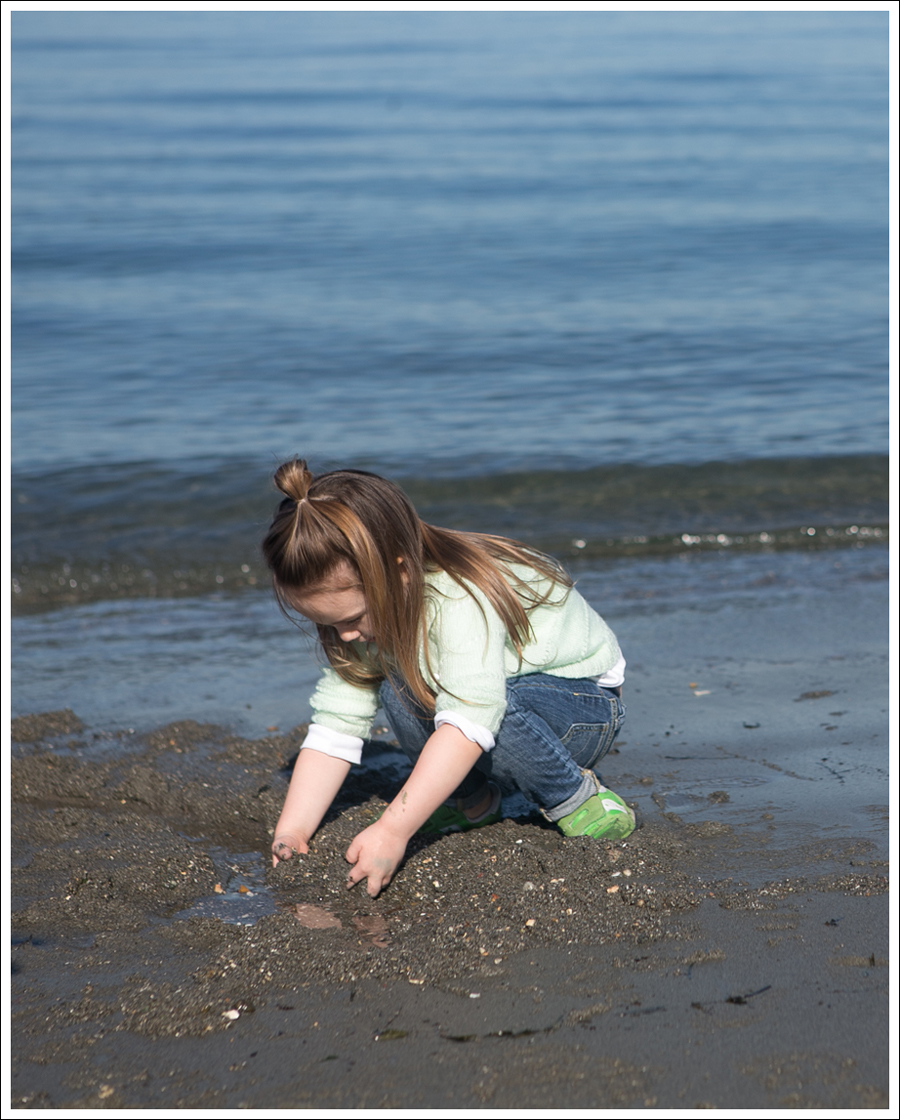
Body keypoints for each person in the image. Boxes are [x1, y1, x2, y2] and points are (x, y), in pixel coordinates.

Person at [263, 459, 634, 897]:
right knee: (398, 687)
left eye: (352, 619)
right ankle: (474, 802)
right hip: (505, 703)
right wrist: (292, 830)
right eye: (325, 624)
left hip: (580, 706)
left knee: (484, 708)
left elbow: (475, 714)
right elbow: (335, 726)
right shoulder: (368, 616)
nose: (344, 635)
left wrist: (393, 829)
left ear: (399, 572)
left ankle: (576, 796)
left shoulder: (459, 597)